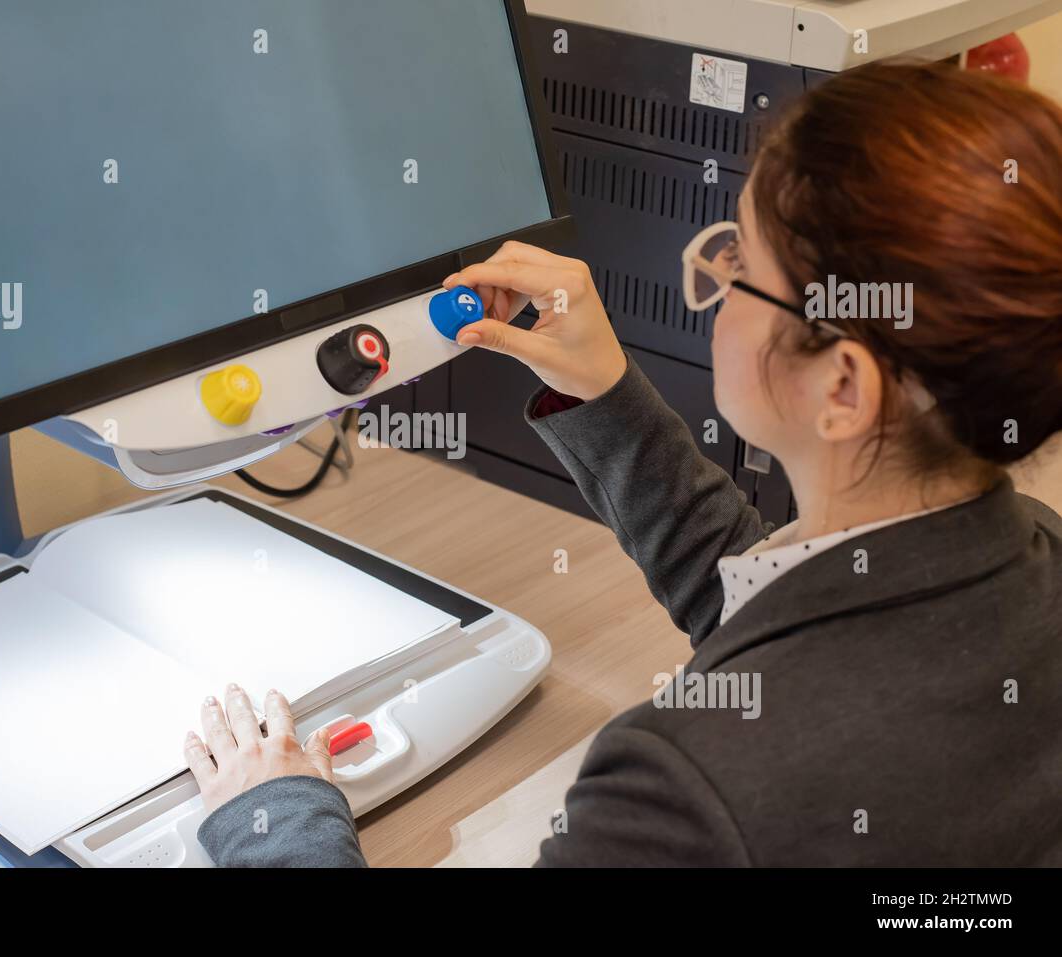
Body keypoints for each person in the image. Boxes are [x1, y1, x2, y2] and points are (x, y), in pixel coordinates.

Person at [185, 60, 1062, 867]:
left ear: (843, 387)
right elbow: (775, 616)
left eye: (741, 265)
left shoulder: (688, 789)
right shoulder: (1033, 556)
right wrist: (604, 389)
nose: (713, 284)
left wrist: (282, 819)